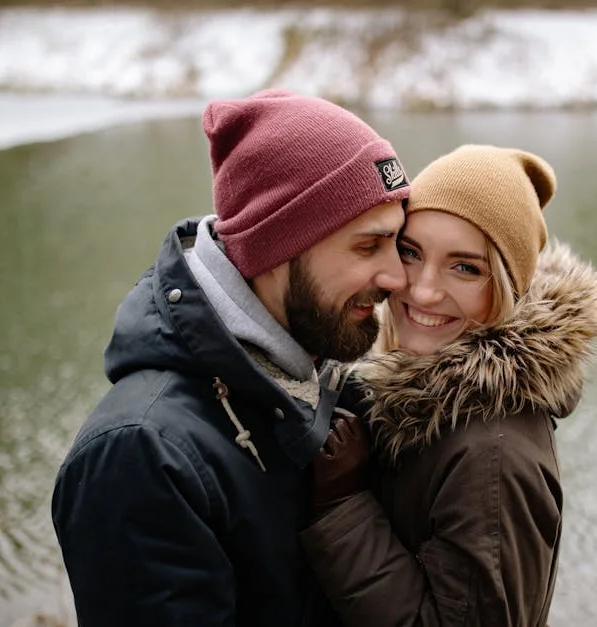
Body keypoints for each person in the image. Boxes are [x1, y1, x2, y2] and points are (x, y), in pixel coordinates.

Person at [51, 88, 413, 626]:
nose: (397, 278)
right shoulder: (142, 456)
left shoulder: (316, 372)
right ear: (275, 248)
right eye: (368, 246)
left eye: (399, 243)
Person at [299, 144, 597, 626]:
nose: (423, 289)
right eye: (411, 253)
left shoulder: (492, 456)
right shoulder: (424, 394)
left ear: (509, 286)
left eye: (465, 267)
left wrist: (344, 507)